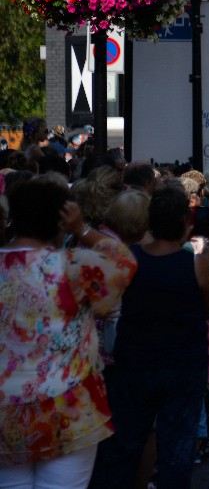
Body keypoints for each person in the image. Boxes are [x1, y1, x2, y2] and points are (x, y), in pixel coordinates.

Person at [0, 176, 136, 488]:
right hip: (68, 410)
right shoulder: (74, 267)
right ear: (61, 219)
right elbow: (123, 261)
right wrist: (82, 230)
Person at [90, 186, 209, 489]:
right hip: (183, 366)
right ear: (184, 223)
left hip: (133, 363)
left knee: (124, 445)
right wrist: (204, 252)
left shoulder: (129, 260)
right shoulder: (195, 263)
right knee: (176, 449)